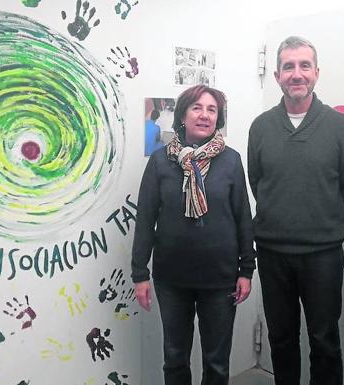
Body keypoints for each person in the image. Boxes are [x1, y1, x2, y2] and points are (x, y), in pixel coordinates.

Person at [247, 36, 344, 385]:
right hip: (272, 255)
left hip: (322, 256)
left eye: (304, 66)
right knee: (281, 340)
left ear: (316, 72)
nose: (296, 74)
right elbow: (259, 183)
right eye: (288, 66)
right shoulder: (261, 127)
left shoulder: (340, 128)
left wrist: (322, 226)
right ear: (277, 75)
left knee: (324, 341)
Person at [132, 85, 256, 385]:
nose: (204, 115)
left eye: (212, 110)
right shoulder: (161, 161)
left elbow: (242, 216)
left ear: (219, 117)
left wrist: (246, 270)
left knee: (216, 363)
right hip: (172, 279)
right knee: (175, 358)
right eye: (197, 108)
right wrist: (140, 274)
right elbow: (146, 218)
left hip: (220, 278)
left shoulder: (231, 160)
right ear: (183, 115)